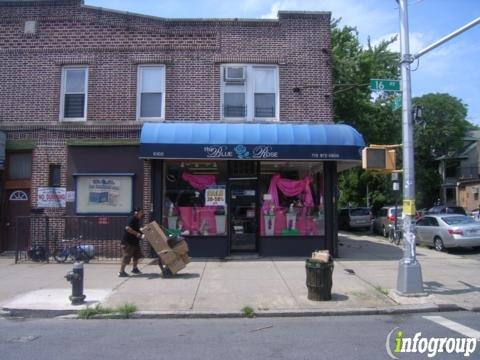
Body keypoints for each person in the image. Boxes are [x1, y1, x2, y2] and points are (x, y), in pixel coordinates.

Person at [119, 207, 144, 277]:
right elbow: (127, 228)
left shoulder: (137, 220)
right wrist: (137, 234)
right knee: (126, 256)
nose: (142, 214)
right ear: (136, 212)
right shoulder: (131, 218)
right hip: (128, 242)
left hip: (135, 241)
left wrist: (142, 231)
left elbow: (137, 228)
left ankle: (134, 268)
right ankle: (121, 272)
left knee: (136, 255)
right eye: (141, 212)